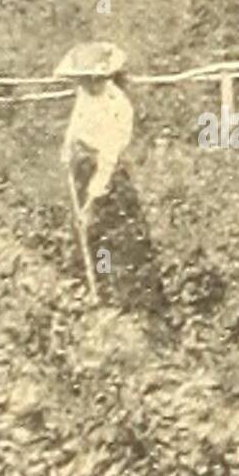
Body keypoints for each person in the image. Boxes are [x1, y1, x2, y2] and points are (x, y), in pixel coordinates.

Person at [55, 42, 169, 330]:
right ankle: (92, 288)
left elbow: (107, 160)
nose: (86, 84)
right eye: (81, 79)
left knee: (113, 237)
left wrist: (91, 203)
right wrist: (68, 147)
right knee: (84, 234)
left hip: (108, 180)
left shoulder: (119, 107)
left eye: (91, 79)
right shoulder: (85, 94)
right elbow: (75, 123)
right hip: (83, 169)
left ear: (103, 78)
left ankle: (127, 304)